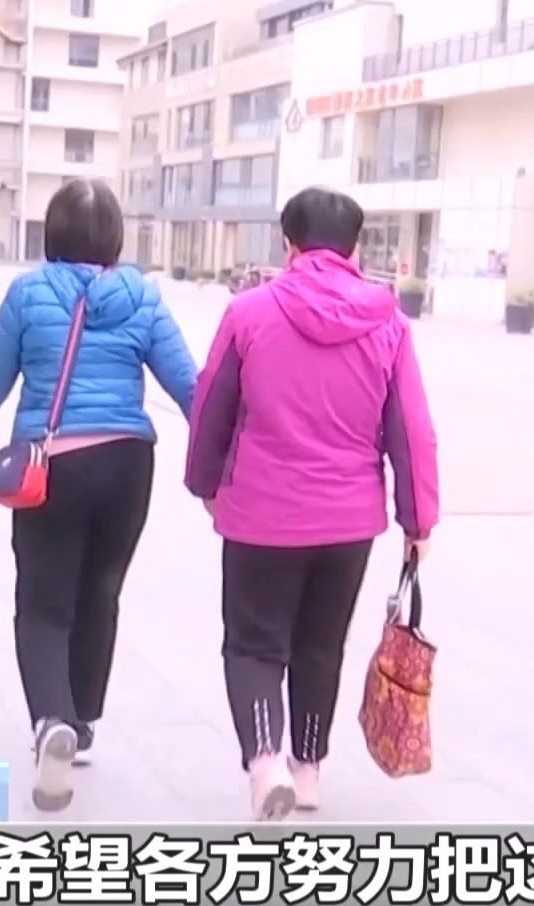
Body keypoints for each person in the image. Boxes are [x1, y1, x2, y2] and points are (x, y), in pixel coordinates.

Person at [185, 185, 440, 821]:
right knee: (321, 645)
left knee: (253, 645)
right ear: (355, 249)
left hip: (260, 514)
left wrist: (205, 485)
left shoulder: (248, 314)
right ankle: (307, 773)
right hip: (349, 523)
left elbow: (212, 407)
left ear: (288, 244)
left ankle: (264, 761)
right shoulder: (389, 324)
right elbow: (411, 428)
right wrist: (418, 519)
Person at [0, 178, 198, 812]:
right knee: (101, 591)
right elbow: (188, 385)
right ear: (115, 236)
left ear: (52, 234)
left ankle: (51, 721)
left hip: (53, 464)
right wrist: (223, 451)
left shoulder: (28, 293)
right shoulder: (142, 297)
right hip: (127, 463)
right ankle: (82, 719)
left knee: (43, 601)